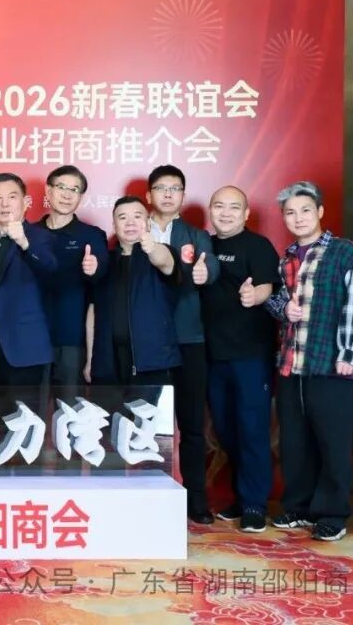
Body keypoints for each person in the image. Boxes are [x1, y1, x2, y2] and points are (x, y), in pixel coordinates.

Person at [265, 181, 353, 542]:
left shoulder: (344, 252)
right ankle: (298, 506)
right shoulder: (287, 257)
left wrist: (349, 354)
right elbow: (277, 300)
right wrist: (284, 308)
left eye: (305, 210)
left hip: (332, 363)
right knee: (294, 442)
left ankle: (332, 513)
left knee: (332, 442)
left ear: (320, 212)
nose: (298, 218)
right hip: (291, 363)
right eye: (290, 212)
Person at [200, 186, 280, 533]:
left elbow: (268, 286)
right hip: (212, 356)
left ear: (246, 214)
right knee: (225, 431)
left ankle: (254, 504)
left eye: (234, 207)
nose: (226, 213)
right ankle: (241, 494)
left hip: (250, 355)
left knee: (252, 429)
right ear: (211, 210)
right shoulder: (203, 245)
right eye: (219, 206)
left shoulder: (258, 246)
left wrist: (254, 295)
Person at [146, 164, 218, 525]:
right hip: (148, 343)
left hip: (189, 340)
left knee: (191, 426)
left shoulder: (196, 235)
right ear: (149, 195)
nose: (168, 194)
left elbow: (212, 267)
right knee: (148, 425)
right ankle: (149, 497)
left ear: (183, 196)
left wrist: (205, 273)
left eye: (175, 188)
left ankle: (196, 500)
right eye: (161, 188)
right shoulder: (134, 228)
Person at [0, 173, 59, 448]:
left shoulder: (40, 237)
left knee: (27, 432)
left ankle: (27, 477)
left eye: (12, 197)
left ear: (26, 202)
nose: (4, 204)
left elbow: (51, 270)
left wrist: (24, 243)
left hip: (25, 350)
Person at [89, 196, 181, 387]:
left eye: (137, 216)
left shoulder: (163, 252)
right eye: (122, 217)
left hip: (152, 363)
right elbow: (93, 312)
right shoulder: (104, 262)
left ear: (148, 222)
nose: (130, 222)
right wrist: (90, 359)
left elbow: (163, 260)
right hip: (108, 365)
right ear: (114, 225)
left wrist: (152, 247)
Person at [36, 167, 109, 395]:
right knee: (31, 410)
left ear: (81, 196)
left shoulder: (91, 235)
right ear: (48, 191)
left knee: (71, 410)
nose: (67, 195)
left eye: (74, 190)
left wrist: (94, 268)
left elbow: (102, 273)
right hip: (32, 338)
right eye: (61, 187)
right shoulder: (30, 234)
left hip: (72, 340)